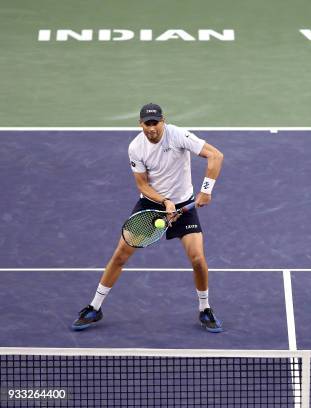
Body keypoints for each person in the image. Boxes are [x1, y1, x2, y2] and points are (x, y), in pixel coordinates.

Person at [72, 103, 224, 332]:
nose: (151, 128)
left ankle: (205, 309)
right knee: (120, 255)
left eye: (155, 123)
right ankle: (95, 307)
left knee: (197, 260)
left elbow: (215, 155)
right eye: (147, 124)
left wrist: (206, 190)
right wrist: (165, 201)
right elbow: (142, 184)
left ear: (163, 121)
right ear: (140, 124)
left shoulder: (178, 135)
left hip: (184, 205)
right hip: (151, 206)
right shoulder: (136, 147)